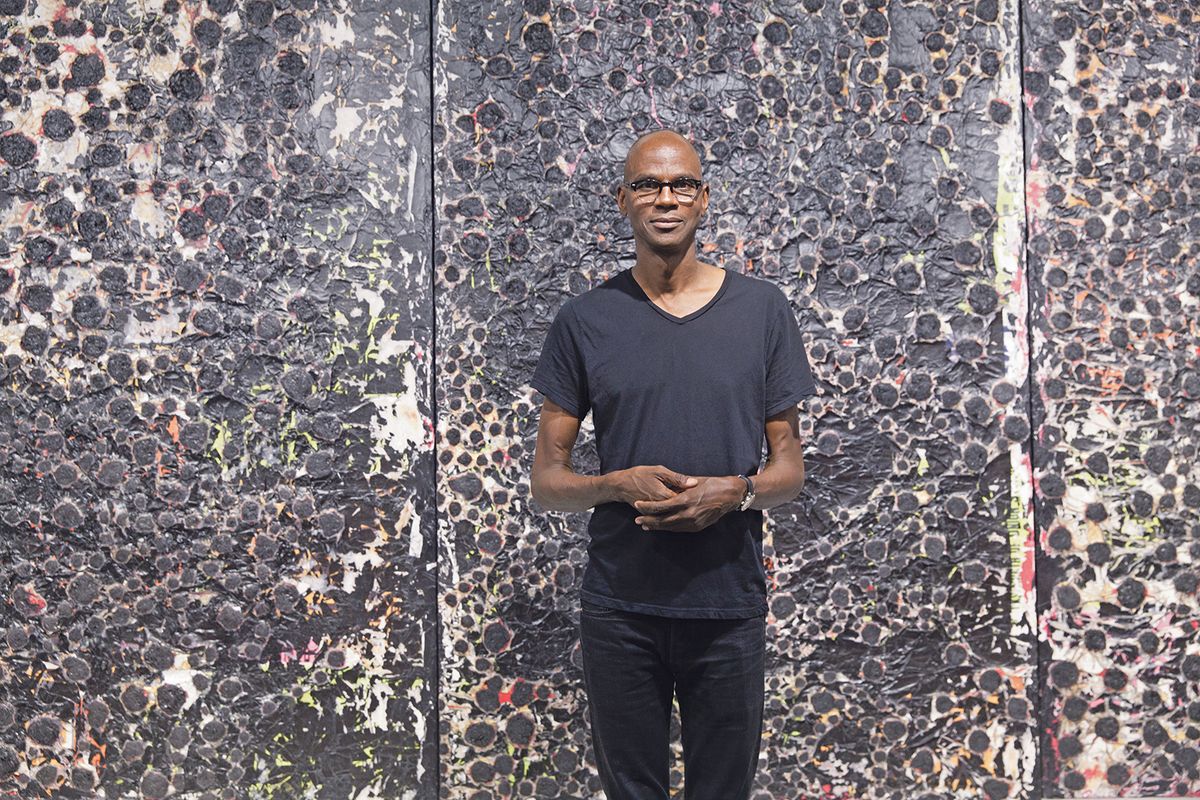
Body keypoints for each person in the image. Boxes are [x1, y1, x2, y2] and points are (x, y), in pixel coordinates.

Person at [528, 128, 818, 800]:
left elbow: (789, 471)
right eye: (647, 185)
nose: (665, 198)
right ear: (623, 199)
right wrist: (614, 485)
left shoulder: (762, 311)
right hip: (621, 610)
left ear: (703, 198)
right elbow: (548, 481)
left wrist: (736, 492)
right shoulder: (586, 320)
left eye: (681, 184)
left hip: (728, 607)